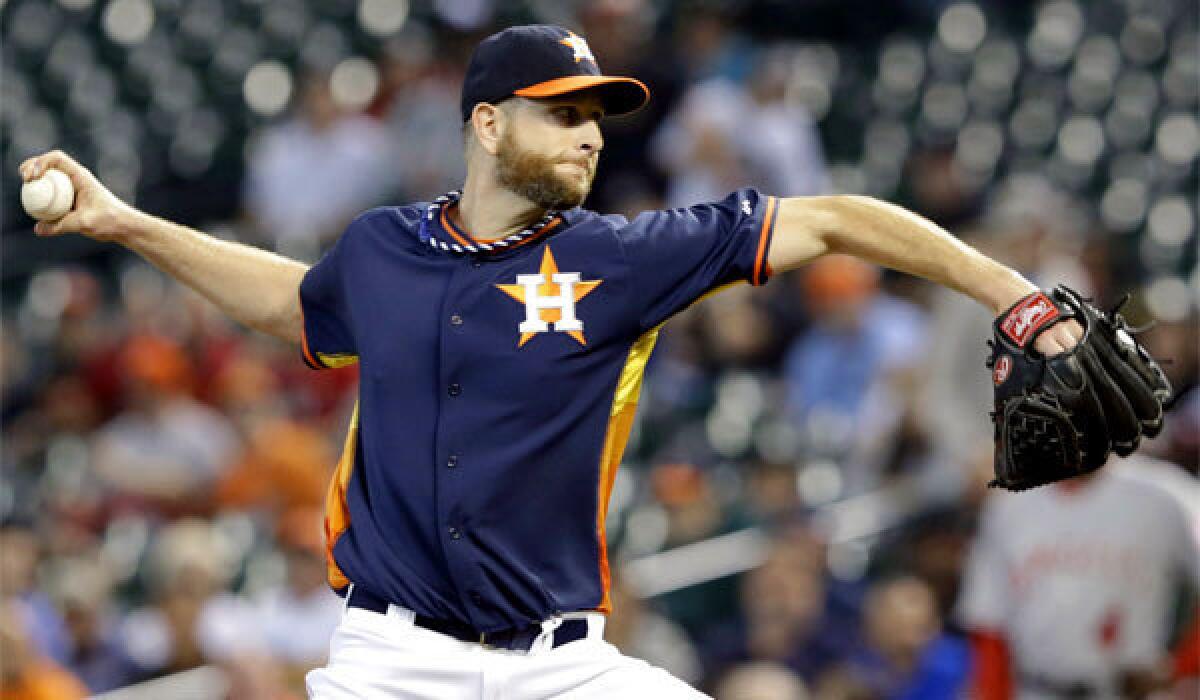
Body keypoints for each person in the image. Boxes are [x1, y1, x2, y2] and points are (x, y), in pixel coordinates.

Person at [21, 24, 1083, 699]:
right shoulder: (384, 248)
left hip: (565, 667)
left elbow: (840, 219)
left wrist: (1015, 296)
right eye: (563, 112)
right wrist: (125, 223)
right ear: (487, 124)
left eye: (598, 118)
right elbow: (294, 303)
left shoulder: (620, 256)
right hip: (394, 665)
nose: (590, 136)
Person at [957, 455, 1200, 699]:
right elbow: (990, 623)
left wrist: (1179, 668)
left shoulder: (1169, 495)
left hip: (1127, 689)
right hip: (1036, 687)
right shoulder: (1009, 504)